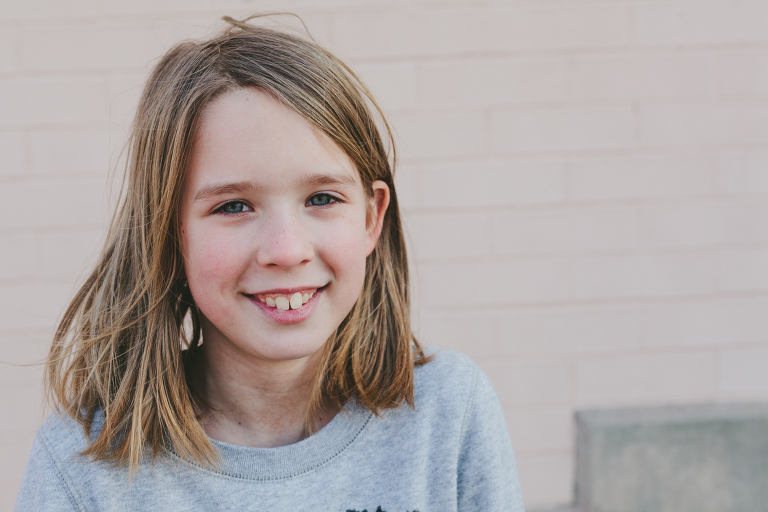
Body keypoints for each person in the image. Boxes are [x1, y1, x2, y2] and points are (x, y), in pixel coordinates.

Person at [15, 15, 524, 511]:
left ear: (373, 219)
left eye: (322, 198)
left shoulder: (448, 413)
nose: (286, 250)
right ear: (171, 234)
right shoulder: (81, 467)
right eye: (233, 206)